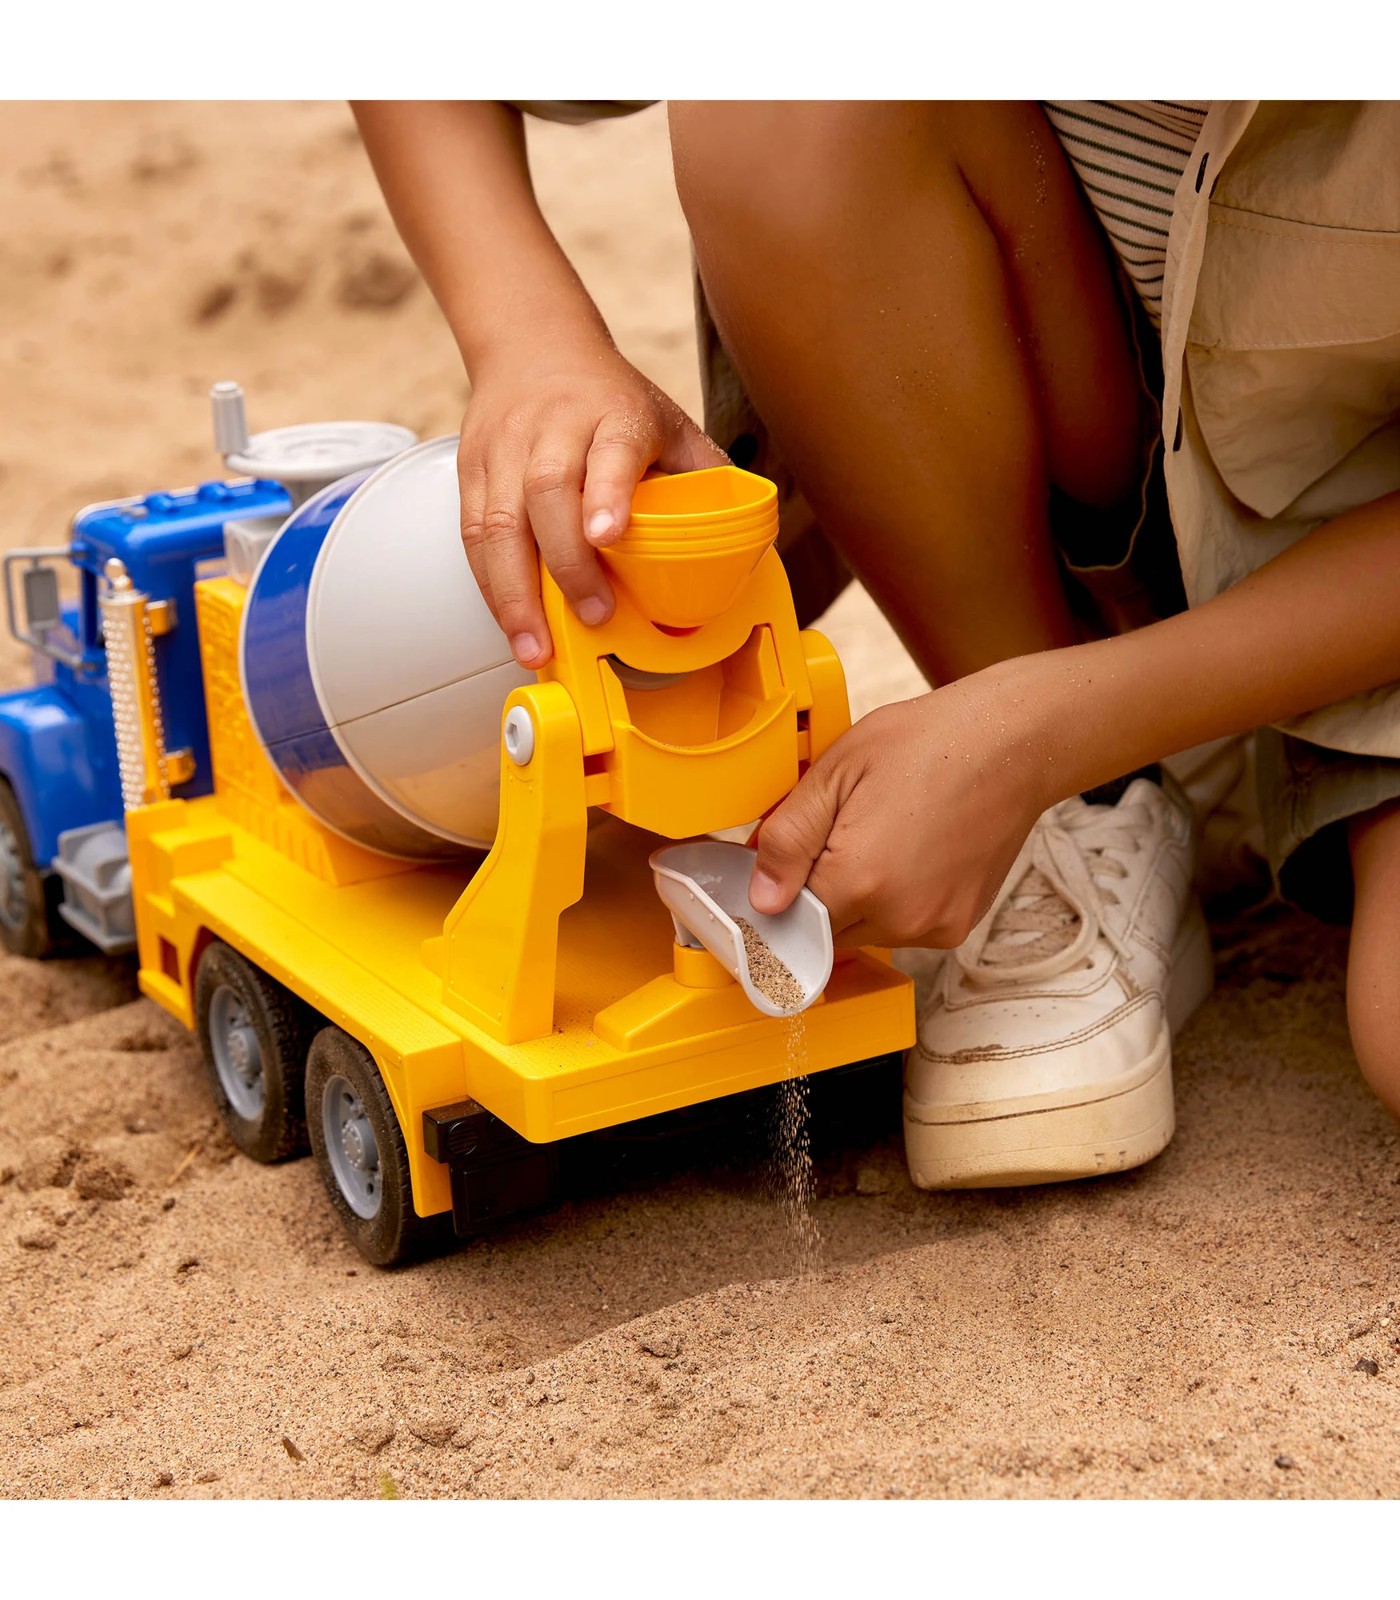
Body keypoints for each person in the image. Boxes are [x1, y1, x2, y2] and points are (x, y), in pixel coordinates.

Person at [352, 100, 1400, 1189]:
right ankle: (1088, 804)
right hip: (1093, 492)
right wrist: (532, 342)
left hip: (1354, 556)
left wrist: (1049, 727)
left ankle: (1089, 750)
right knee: (782, 94)